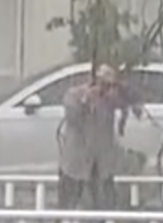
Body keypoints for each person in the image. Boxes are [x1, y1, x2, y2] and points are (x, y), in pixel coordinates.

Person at [57, 64, 143, 209]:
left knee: (104, 207)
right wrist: (87, 99)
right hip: (75, 163)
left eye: (109, 85)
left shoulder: (111, 99)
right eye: (103, 84)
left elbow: (134, 101)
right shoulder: (74, 95)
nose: (105, 89)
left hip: (101, 165)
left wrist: (120, 87)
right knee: (66, 205)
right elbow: (73, 117)